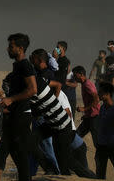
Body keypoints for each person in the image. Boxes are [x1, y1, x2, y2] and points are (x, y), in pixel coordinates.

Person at [29, 48, 74, 176]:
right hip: (49, 121)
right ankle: (50, 169)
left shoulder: (45, 75)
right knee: (33, 142)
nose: (32, 61)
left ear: (39, 60)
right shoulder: (39, 74)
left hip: (59, 123)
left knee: (62, 161)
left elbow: (58, 85)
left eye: (33, 58)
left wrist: (53, 98)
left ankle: (55, 170)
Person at [0, 33, 36, 181]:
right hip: (13, 116)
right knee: (16, 154)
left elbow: (33, 89)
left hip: (21, 118)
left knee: (21, 158)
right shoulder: (17, 66)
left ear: (20, 49)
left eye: (11, 46)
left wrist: (11, 99)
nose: (8, 49)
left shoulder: (25, 66)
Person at [56, 91, 97, 178]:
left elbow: (68, 114)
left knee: (84, 173)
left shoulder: (59, 95)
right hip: (75, 144)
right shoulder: (58, 95)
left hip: (78, 147)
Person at [74, 66, 100, 148]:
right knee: (76, 136)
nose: (74, 77)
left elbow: (96, 99)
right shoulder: (84, 84)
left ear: (81, 74)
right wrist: (86, 114)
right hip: (89, 117)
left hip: (94, 117)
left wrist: (84, 109)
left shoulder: (87, 85)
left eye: (75, 75)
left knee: (97, 142)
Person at [55, 41, 76, 117]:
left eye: (58, 47)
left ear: (63, 49)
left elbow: (61, 76)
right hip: (59, 89)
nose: (56, 49)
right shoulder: (58, 60)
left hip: (63, 91)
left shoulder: (64, 61)